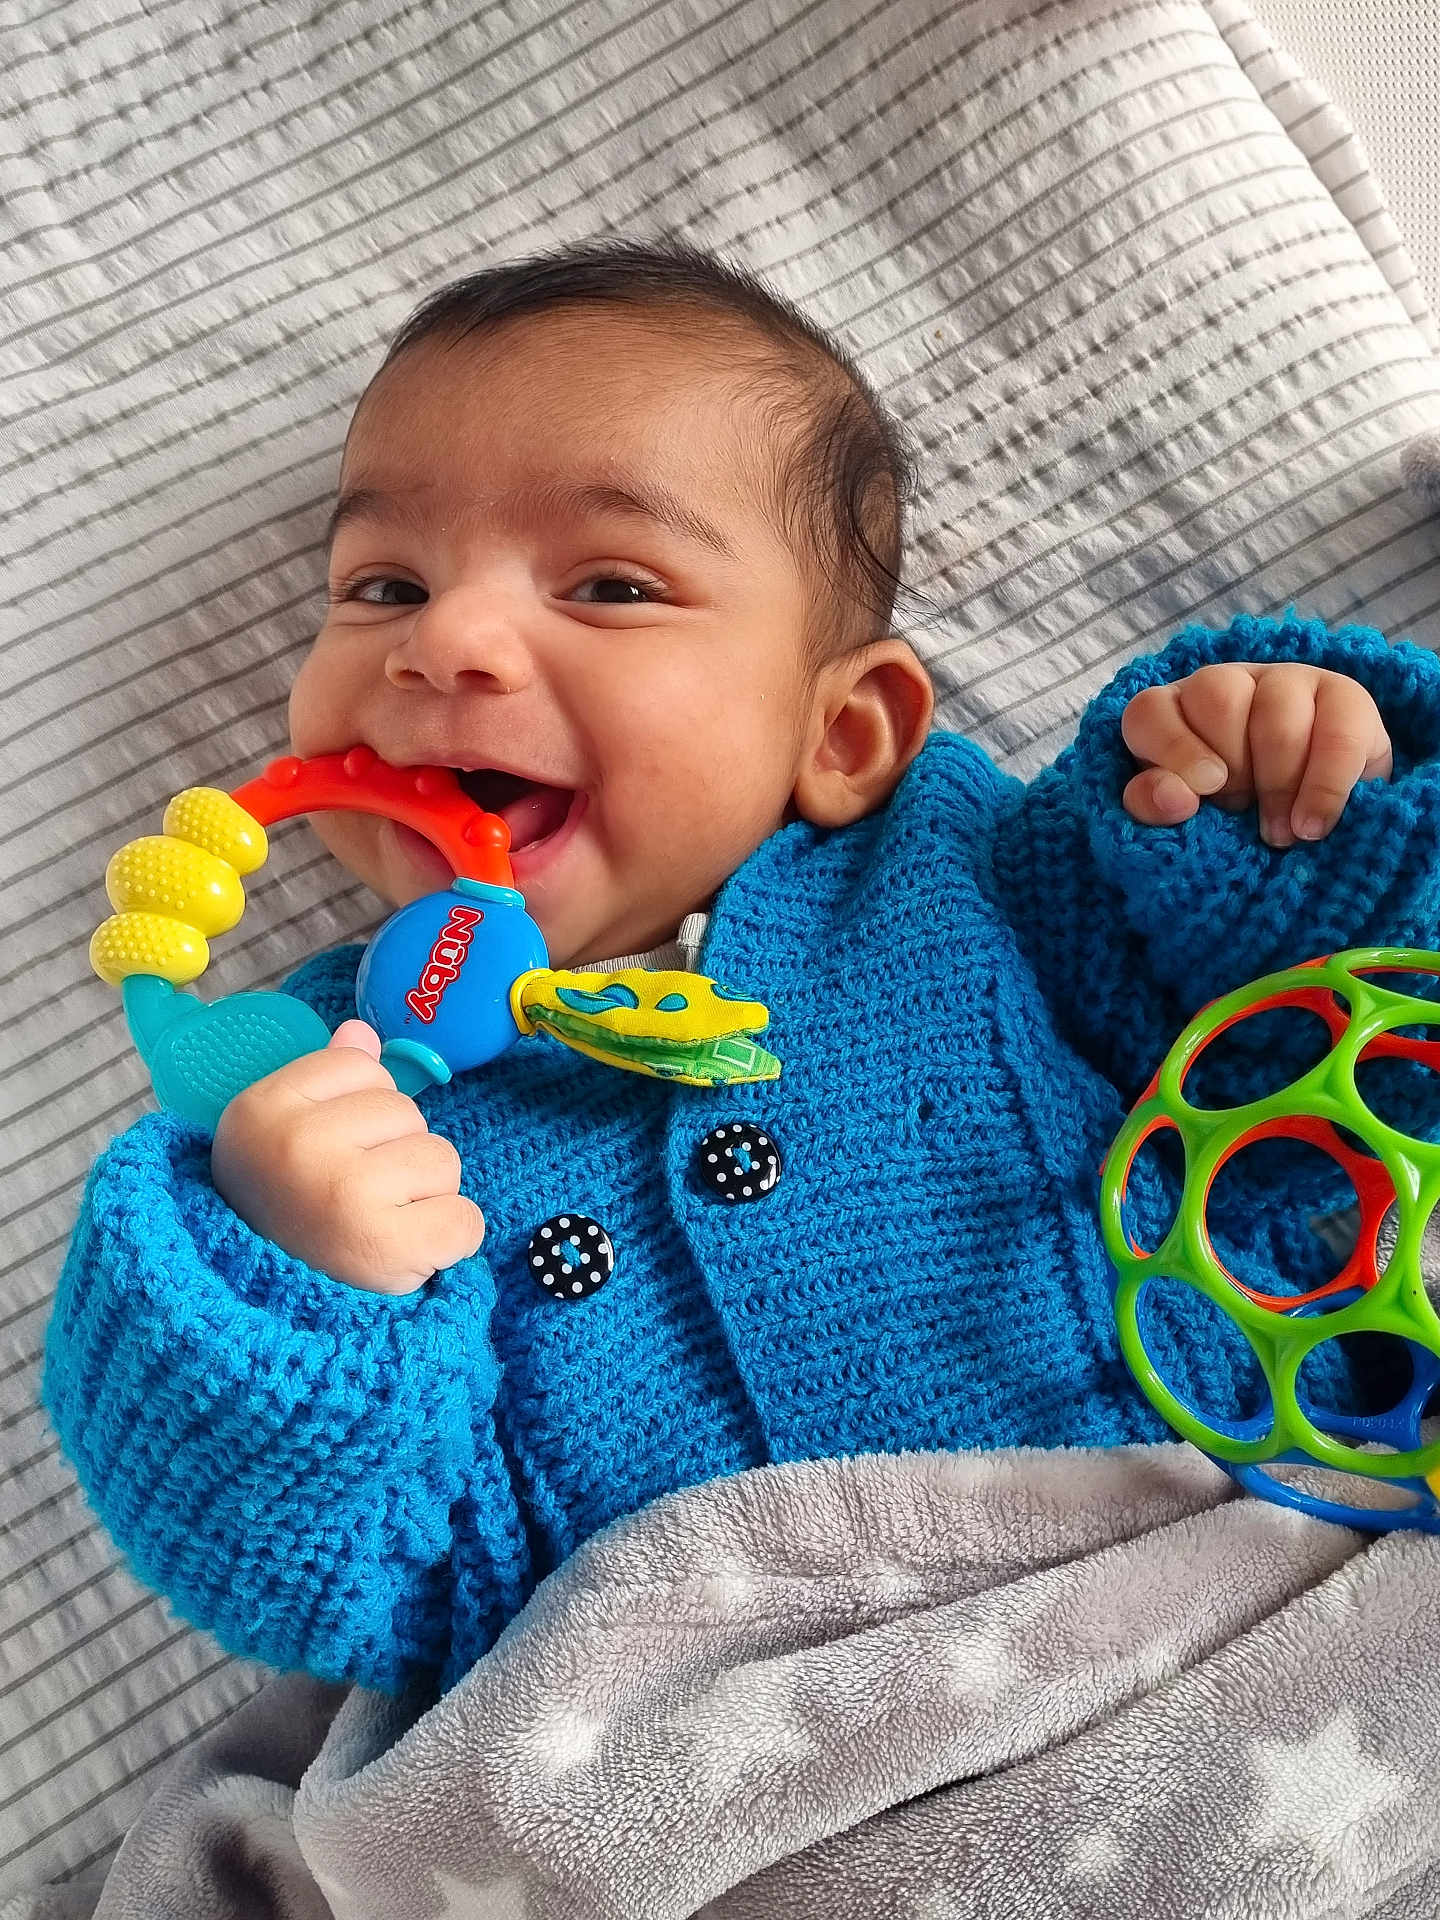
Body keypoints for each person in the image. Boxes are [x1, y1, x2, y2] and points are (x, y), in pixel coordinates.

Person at [42, 237, 1437, 1703]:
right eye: (384, 585)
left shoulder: (979, 884)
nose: (444, 640)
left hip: (1220, 1630)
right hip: (737, 1770)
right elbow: (327, 1586)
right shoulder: (316, 1090)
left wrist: (1270, 804)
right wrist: (291, 1278)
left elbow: (1336, 1078)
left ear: (842, 735)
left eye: (610, 584)